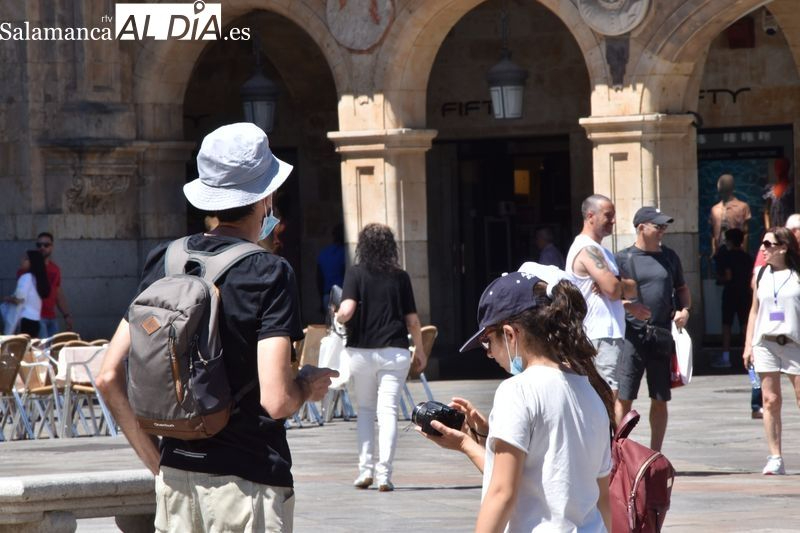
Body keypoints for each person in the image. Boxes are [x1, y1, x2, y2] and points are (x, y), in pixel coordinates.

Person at [96, 122, 337, 532]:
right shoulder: (269, 272)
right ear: (266, 198)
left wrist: (157, 463)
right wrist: (307, 386)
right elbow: (276, 400)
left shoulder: (165, 260)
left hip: (175, 482)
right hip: (248, 481)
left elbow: (106, 376)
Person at [418, 269, 613, 532]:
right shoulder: (591, 392)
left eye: (488, 342)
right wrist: (474, 443)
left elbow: (502, 493)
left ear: (510, 334)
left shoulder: (518, 391)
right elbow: (597, 497)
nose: (488, 355)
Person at [334, 223, 427, 492]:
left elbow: (347, 310)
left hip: (361, 351)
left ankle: (365, 470)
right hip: (394, 350)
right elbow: (413, 320)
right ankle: (384, 474)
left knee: (365, 410)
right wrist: (419, 349)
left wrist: (337, 315)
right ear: (391, 247)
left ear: (362, 246)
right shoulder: (401, 277)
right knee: (388, 412)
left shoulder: (355, 273)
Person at [615, 206, 691, 452]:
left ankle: (655, 453)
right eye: (657, 226)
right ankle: (619, 451)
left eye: (664, 226)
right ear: (641, 228)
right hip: (632, 337)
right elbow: (609, 295)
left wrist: (685, 310)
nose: (662, 231)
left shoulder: (669, 257)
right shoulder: (622, 259)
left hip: (661, 334)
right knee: (625, 397)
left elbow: (682, 288)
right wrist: (628, 306)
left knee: (660, 398)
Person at [566, 194, 647, 423]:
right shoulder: (586, 249)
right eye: (608, 216)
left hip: (609, 334)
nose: (613, 221)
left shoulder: (603, 252)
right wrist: (616, 285)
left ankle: (606, 449)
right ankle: (607, 451)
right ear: (590, 216)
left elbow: (629, 287)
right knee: (606, 395)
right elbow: (613, 288)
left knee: (610, 395)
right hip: (599, 335)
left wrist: (618, 286)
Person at [743, 227, 800, 476]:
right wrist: (748, 345)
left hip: (794, 342)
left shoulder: (797, 275)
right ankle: (775, 456)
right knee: (770, 400)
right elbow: (754, 311)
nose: (763, 249)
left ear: (783, 247)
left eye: (768, 244)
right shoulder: (761, 274)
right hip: (765, 342)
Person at [19, 233, 73, 337]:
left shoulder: (55, 269)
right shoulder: (27, 271)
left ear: (52, 246)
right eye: (39, 245)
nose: (42, 248)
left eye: (46, 245)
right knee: (42, 351)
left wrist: (66, 315)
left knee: (53, 350)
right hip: (36, 317)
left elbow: (57, 293)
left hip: (51, 316)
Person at [713, 228, 752, 369]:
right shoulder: (746, 257)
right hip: (745, 293)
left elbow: (728, 275)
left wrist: (719, 278)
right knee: (745, 325)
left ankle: (725, 357)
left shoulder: (727, 256)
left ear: (730, 241)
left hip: (730, 293)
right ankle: (750, 354)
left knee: (727, 325)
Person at [4, 250, 51, 337]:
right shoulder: (38, 279)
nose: (21, 260)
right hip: (35, 320)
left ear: (32, 262)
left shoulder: (26, 277)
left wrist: (7, 299)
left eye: (25, 259)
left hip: (25, 320)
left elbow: (19, 300)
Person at [709, 174, 751, 256]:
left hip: (737, 252)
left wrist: (744, 252)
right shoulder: (715, 209)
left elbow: (746, 232)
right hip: (720, 251)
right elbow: (713, 234)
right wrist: (714, 250)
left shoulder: (742, 207)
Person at [317, 223, 346, 315]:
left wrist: (321, 299)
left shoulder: (324, 253)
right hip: (343, 295)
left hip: (327, 296)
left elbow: (319, 279)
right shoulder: (345, 252)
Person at [763, 158, 793, 230]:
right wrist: (768, 229)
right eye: (777, 167)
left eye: (782, 166)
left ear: (787, 168)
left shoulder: (792, 189)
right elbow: (766, 211)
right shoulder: (770, 189)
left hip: (789, 230)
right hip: (774, 229)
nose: (779, 169)